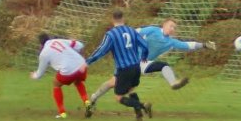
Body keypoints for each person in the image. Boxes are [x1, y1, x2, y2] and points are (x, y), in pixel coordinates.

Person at [86, 18, 215, 113]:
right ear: (164, 25)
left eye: (174, 28)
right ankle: (94, 98)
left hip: (141, 64)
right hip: (129, 61)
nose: (172, 29)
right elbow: (135, 32)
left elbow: (187, 45)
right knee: (112, 83)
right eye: (171, 25)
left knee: (163, 66)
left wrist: (204, 45)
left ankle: (173, 83)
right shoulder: (153, 30)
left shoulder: (171, 42)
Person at [85, 10, 152, 121]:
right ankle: (139, 115)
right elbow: (145, 45)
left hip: (124, 69)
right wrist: (144, 56)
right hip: (136, 67)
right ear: (123, 19)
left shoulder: (111, 34)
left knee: (119, 97)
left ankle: (143, 105)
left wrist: (88, 61)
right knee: (130, 89)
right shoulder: (131, 30)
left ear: (112, 20)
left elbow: (101, 50)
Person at [29, 33, 91, 119]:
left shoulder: (43, 54)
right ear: (49, 38)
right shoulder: (58, 41)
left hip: (68, 71)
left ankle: (62, 113)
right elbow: (80, 45)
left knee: (56, 84)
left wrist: (33, 75)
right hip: (82, 65)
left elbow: (39, 74)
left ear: (41, 44)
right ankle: (87, 102)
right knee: (78, 81)